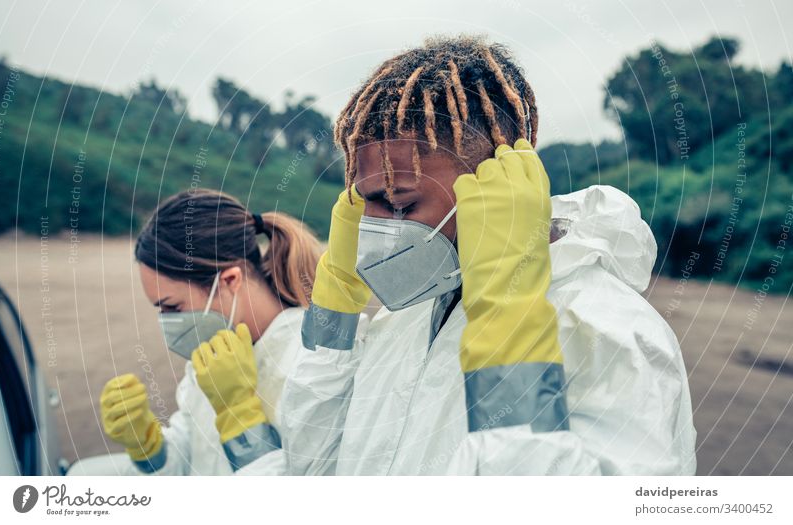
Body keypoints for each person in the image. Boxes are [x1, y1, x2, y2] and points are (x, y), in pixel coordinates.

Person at [278, 35, 697, 475]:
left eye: (401, 203)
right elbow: (311, 470)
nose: (377, 226)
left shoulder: (610, 330)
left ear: (494, 178)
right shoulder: (406, 318)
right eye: (366, 203)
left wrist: (510, 340)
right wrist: (333, 319)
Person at [69, 189, 320, 475]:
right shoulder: (213, 355)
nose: (167, 323)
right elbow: (192, 456)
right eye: (159, 309)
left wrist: (241, 419)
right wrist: (150, 449)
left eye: (173, 307)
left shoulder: (313, 364)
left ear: (229, 280)